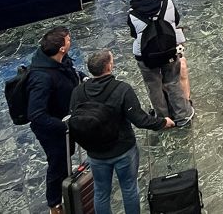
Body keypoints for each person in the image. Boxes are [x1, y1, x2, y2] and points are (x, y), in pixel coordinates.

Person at [68, 49, 174, 214]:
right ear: (109, 66)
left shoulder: (78, 92)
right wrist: (163, 122)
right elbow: (140, 120)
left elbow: (76, 117)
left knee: (101, 192)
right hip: (123, 149)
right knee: (129, 188)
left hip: (96, 153)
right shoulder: (122, 89)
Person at [26, 27, 83, 214]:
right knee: (57, 162)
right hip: (52, 130)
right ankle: (54, 204)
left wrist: (84, 78)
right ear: (61, 48)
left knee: (67, 156)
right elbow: (36, 114)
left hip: (64, 123)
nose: (70, 40)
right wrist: (63, 126)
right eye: (68, 39)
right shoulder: (41, 78)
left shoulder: (60, 60)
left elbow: (72, 73)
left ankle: (66, 183)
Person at [126, 0, 193, 126]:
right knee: (173, 81)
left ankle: (163, 119)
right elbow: (176, 20)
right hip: (168, 49)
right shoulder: (167, 3)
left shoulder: (132, 14)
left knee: (153, 85)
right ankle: (182, 116)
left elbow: (134, 34)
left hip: (145, 55)